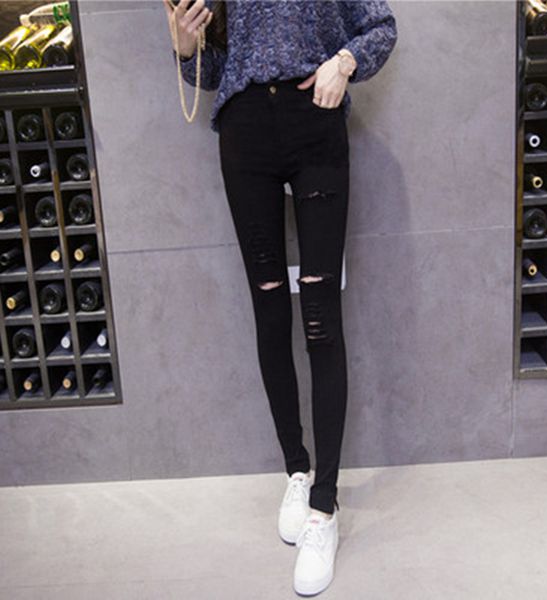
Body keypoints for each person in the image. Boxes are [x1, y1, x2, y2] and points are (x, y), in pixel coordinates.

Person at [164, 0, 397, 595]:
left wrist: (343, 62)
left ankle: (325, 504)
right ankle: (296, 469)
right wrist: (186, 49)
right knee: (269, 309)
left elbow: (381, 27)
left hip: (313, 122)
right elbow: (215, 70)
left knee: (320, 316)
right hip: (245, 132)